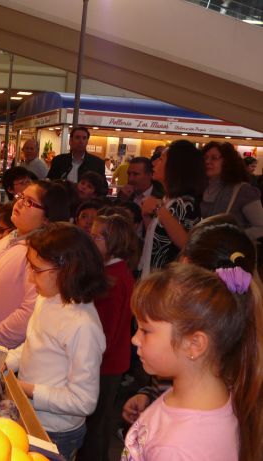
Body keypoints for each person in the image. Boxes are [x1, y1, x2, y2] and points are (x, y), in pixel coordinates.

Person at [122, 263, 263, 461]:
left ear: (194, 345)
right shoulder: (208, 392)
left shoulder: (175, 449)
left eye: (145, 330)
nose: (135, 339)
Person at [5, 222, 107, 460]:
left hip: (56, 431)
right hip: (29, 411)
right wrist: (6, 361)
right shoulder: (48, 297)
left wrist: (28, 390)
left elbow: (84, 401)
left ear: (67, 270)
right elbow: (34, 343)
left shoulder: (83, 326)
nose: (31, 277)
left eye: (37, 270)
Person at [0, 181, 71, 348]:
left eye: (29, 202)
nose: (18, 203)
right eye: (21, 197)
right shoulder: (11, 236)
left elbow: (29, 312)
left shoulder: (42, 256)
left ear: (47, 219)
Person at [78, 214, 137, 461]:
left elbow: (108, 332)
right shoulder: (112, 271)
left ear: (113, 241)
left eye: (96, 236)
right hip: (106, 360)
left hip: (106, 364)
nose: (91, 240)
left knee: (95, 425)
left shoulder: (115, 279)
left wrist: (88, 360)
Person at [139, 140, 206, 276]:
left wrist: (158, 209)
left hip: (169, 281)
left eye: (161, 159)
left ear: (174, 167)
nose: (154, 163)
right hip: (155, 276)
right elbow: (159, 239)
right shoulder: (167, 200)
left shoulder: (186, 204)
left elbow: (187, 244)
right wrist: (147, 216)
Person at [200, 141, 263, 239]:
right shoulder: (201, 187)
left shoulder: (243, 191)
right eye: (205, 158)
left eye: (214, 158)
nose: (207, 161)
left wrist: (232, 238)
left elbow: (260, 227)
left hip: (229, 251)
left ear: (227, 162)